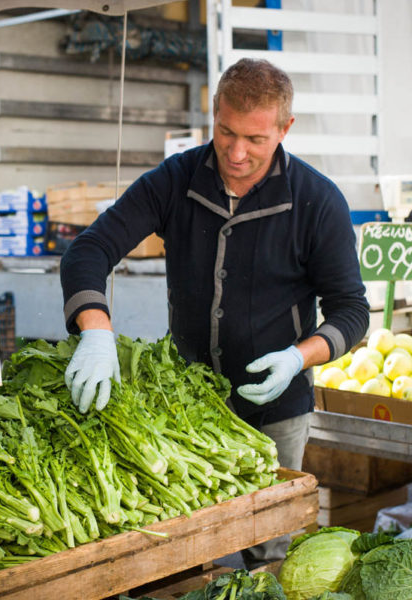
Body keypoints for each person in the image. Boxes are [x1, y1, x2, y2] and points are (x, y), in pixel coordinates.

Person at [59, 58, 370, 567]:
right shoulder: (175, 179)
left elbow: (351, 310)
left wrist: (298, 357)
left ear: (285, 129)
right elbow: (89, 250)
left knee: (270, 556)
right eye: (225, 132)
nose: (237, 152)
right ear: (213, 113)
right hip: (183, 411)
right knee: (182, 552)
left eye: (255, 139)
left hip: (276, 415)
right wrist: (96, 332)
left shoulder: (316, 201)